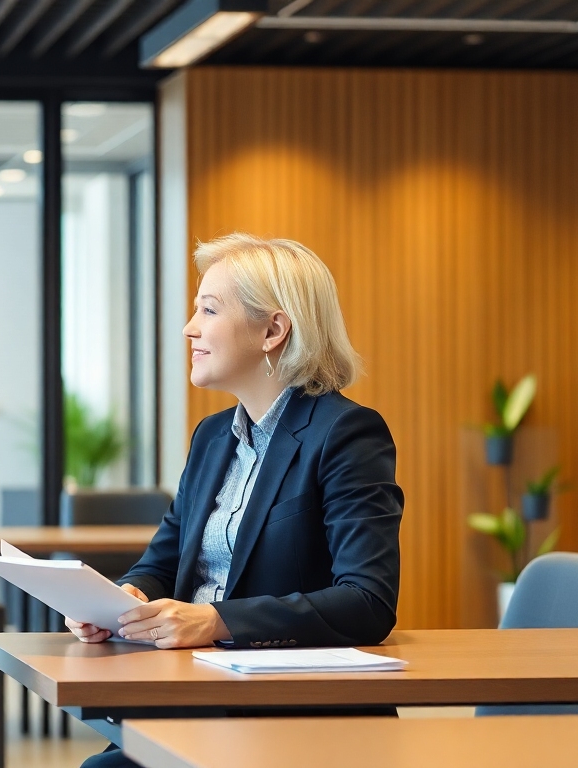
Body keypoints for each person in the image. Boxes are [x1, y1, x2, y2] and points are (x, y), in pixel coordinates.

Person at [67, 233, 403, 767]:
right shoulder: (212, 436)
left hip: (286, 716)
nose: (189, 328)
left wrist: (217, 620)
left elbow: (368, 601)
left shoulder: (346, 433)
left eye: (209, 309)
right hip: (189, 695)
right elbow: (165, 561)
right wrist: (121, 603)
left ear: (273, 330)